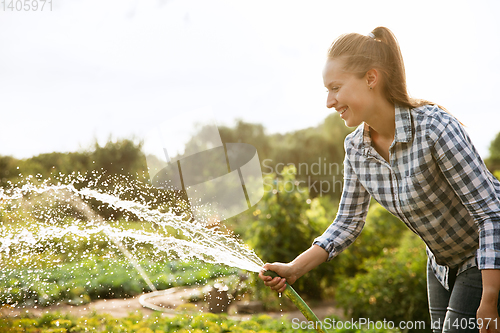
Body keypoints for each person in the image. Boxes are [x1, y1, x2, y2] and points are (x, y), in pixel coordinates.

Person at [258, 26, 500, 333]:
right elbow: (347, 223)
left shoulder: (434, 128)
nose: (329, 102)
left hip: (485, 255)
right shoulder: (356, 149)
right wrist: (294, 269)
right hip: (440, 266)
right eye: (327, 91)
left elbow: (491, 213)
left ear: (371, 79)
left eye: (336, 87)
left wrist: (490, 297)